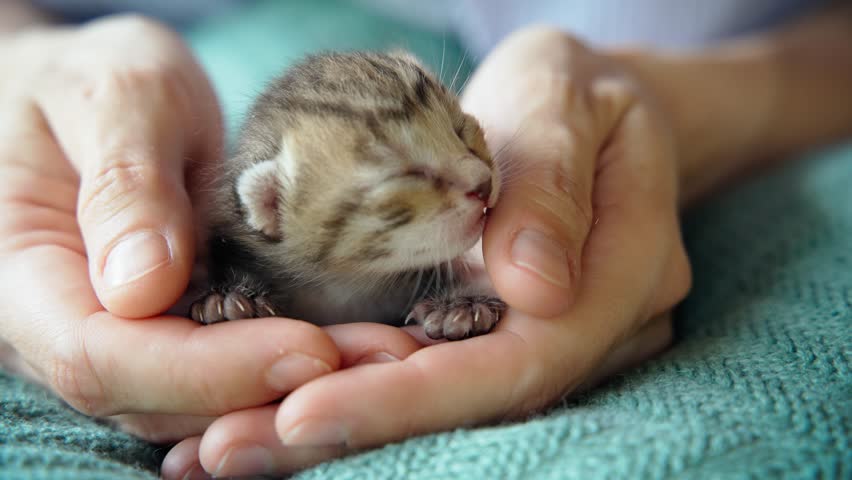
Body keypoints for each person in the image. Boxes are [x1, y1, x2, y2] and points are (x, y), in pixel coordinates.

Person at [0, 0, 850, 478]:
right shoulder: (249, 239)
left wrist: (712, 106)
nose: (480, 176)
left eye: (463, 129)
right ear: (273, 210)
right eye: (408, 179)